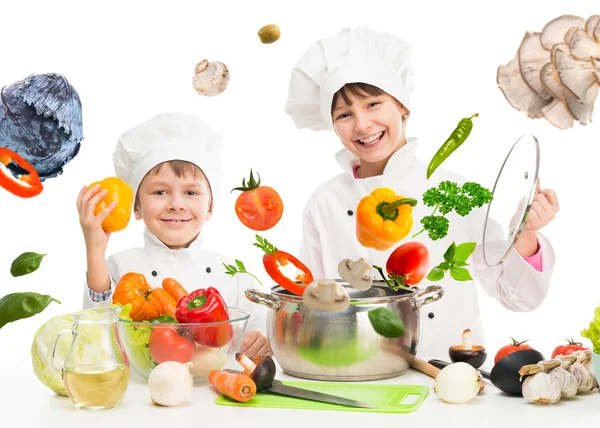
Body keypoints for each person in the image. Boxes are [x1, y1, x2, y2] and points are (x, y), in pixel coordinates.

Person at [284, 27, 559, 361]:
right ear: (332, 124)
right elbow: (306, 299)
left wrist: (525, 233)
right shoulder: (323, 202)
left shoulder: (457, 193)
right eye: (345, 114)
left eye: (373, 104)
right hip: (356, 373)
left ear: (402, 105)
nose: (362, 124)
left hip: (447, 379)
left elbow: (518, 297)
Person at [77, 112, 270, 359]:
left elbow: (260, 337)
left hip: (218, 392)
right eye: (159, 192)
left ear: (210, 207)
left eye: (191, 193)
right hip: (141, 396)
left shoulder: (235, 274)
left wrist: (262, 343)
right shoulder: (118, 267)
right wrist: (95, 250)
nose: (176, 204)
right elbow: (96, 338)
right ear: (136, 207)